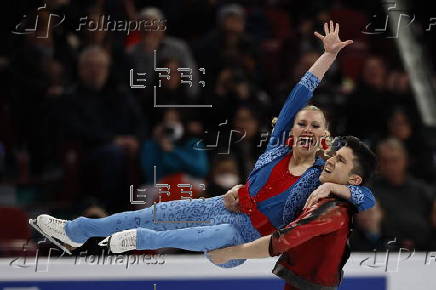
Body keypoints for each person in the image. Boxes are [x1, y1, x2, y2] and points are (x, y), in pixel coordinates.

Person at [32, 22, 374, 268]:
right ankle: (75, 231)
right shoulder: (278, 145)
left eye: (315, 125)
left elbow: (366, 197)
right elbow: (300, 91)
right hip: (222, 206)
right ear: (291, 128)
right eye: (302, 122)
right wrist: (327, 56)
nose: (307, 128)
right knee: (151, 214)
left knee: (209, 232)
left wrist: (339, 190)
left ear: (324, 136)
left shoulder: (320, 175)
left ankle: (141, 241)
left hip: (241, 239)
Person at [208, 136, 377, 290]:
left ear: (354, 180)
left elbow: (282, 241)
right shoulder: (314, 181)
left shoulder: (334, 209)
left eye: (340, 160)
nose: (330, 160)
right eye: (333, 155)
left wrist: (230, 253)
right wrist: (242, 191)